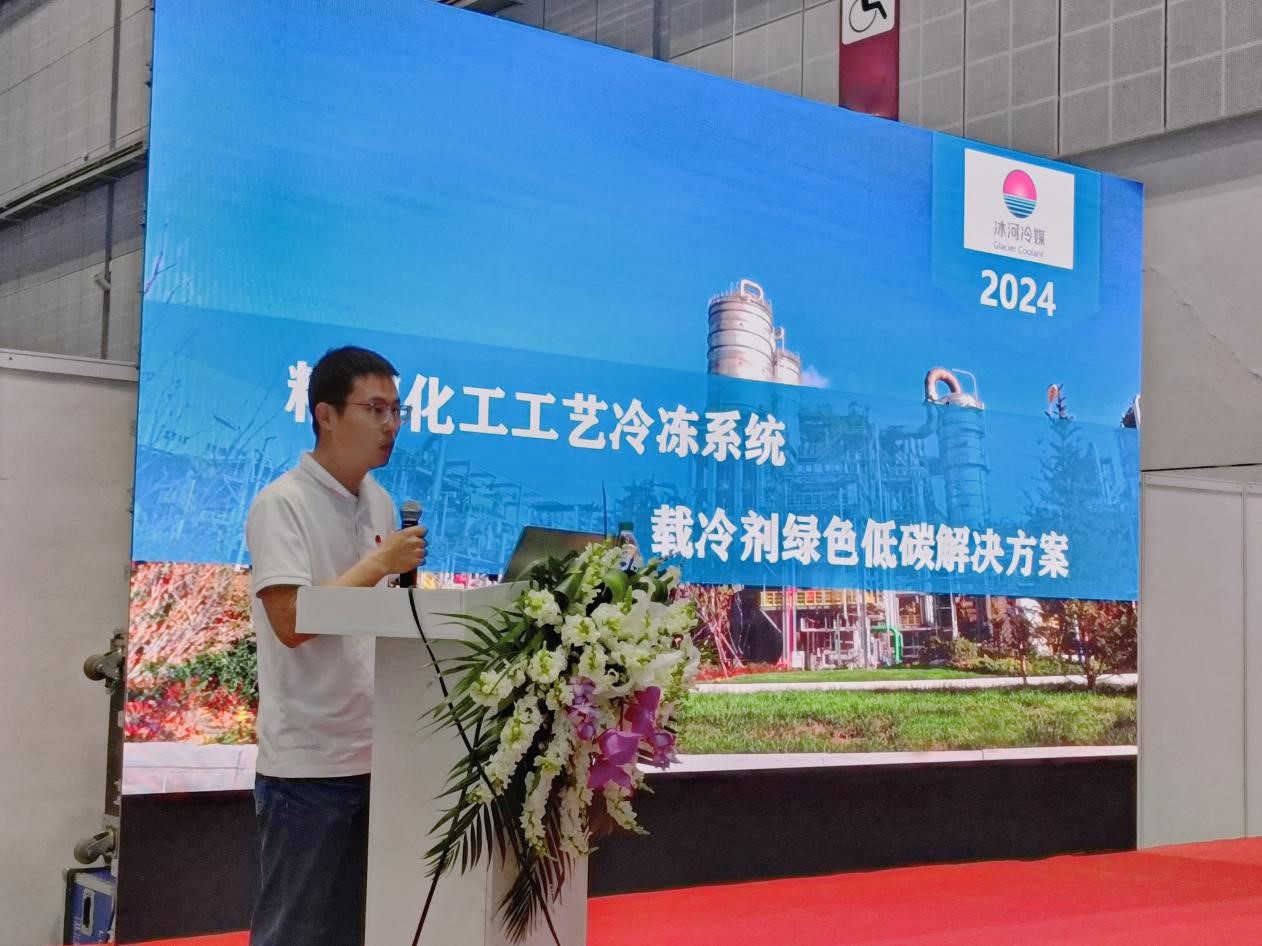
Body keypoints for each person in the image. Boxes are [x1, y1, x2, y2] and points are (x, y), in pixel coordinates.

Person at [245, 346, 427, 946]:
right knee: (294, 933)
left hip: (377, 757)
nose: (390, 424)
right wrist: (379, 563)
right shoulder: (282, 504)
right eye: (375, 409)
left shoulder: (379, 502)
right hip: (308, 767)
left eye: (396, 410)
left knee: (361, 931)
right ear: (326, 415)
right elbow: (291, 621)